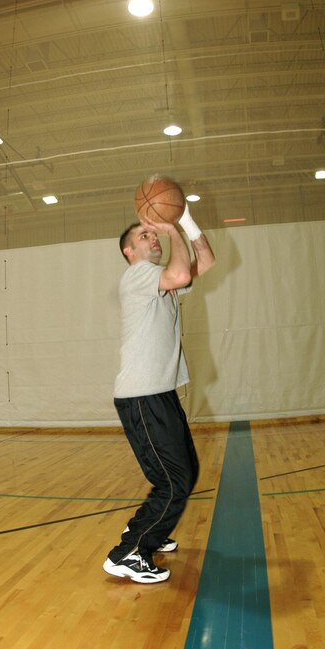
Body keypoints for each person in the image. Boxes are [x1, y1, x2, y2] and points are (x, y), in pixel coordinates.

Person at [103, 202, 215, 584]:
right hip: (142, 397)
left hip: (158, 394)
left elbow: (205, 262)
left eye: (153, 233)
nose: (152, 238)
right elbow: (182, 270)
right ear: (129, 251)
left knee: (186, 471)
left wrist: (185, 221)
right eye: (144, 235)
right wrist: (170, 230)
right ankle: (128, 553)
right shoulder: (138, 274)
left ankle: (150, 529)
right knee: (173, 481)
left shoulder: (160, 278)